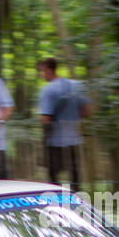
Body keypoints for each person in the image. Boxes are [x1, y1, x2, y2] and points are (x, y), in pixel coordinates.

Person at [37, 58, 90, 190]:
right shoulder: (77, 85)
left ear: (49, 70)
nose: (41, 74)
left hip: (55, 141)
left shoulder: (48, 90)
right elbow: (87, 111)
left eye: (42, 71)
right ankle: (77, 201)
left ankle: (57, 203)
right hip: (74, 139)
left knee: (54, 176)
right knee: (75, 175)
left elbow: (45, 118)